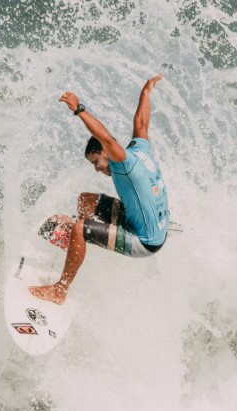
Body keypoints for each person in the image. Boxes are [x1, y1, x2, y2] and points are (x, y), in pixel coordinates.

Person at [29, 74, 170, 305]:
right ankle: (75, 243)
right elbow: (141, 123)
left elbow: (105, 138)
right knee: (86, 200)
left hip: (145, 240)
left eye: (96, 162)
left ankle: (60, 290)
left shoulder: (122, 164)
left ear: (107, 153)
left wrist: (78, 109)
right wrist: (146, 92)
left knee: (81, 228)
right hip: (151, 222)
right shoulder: (139, 149)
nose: (97, 169)